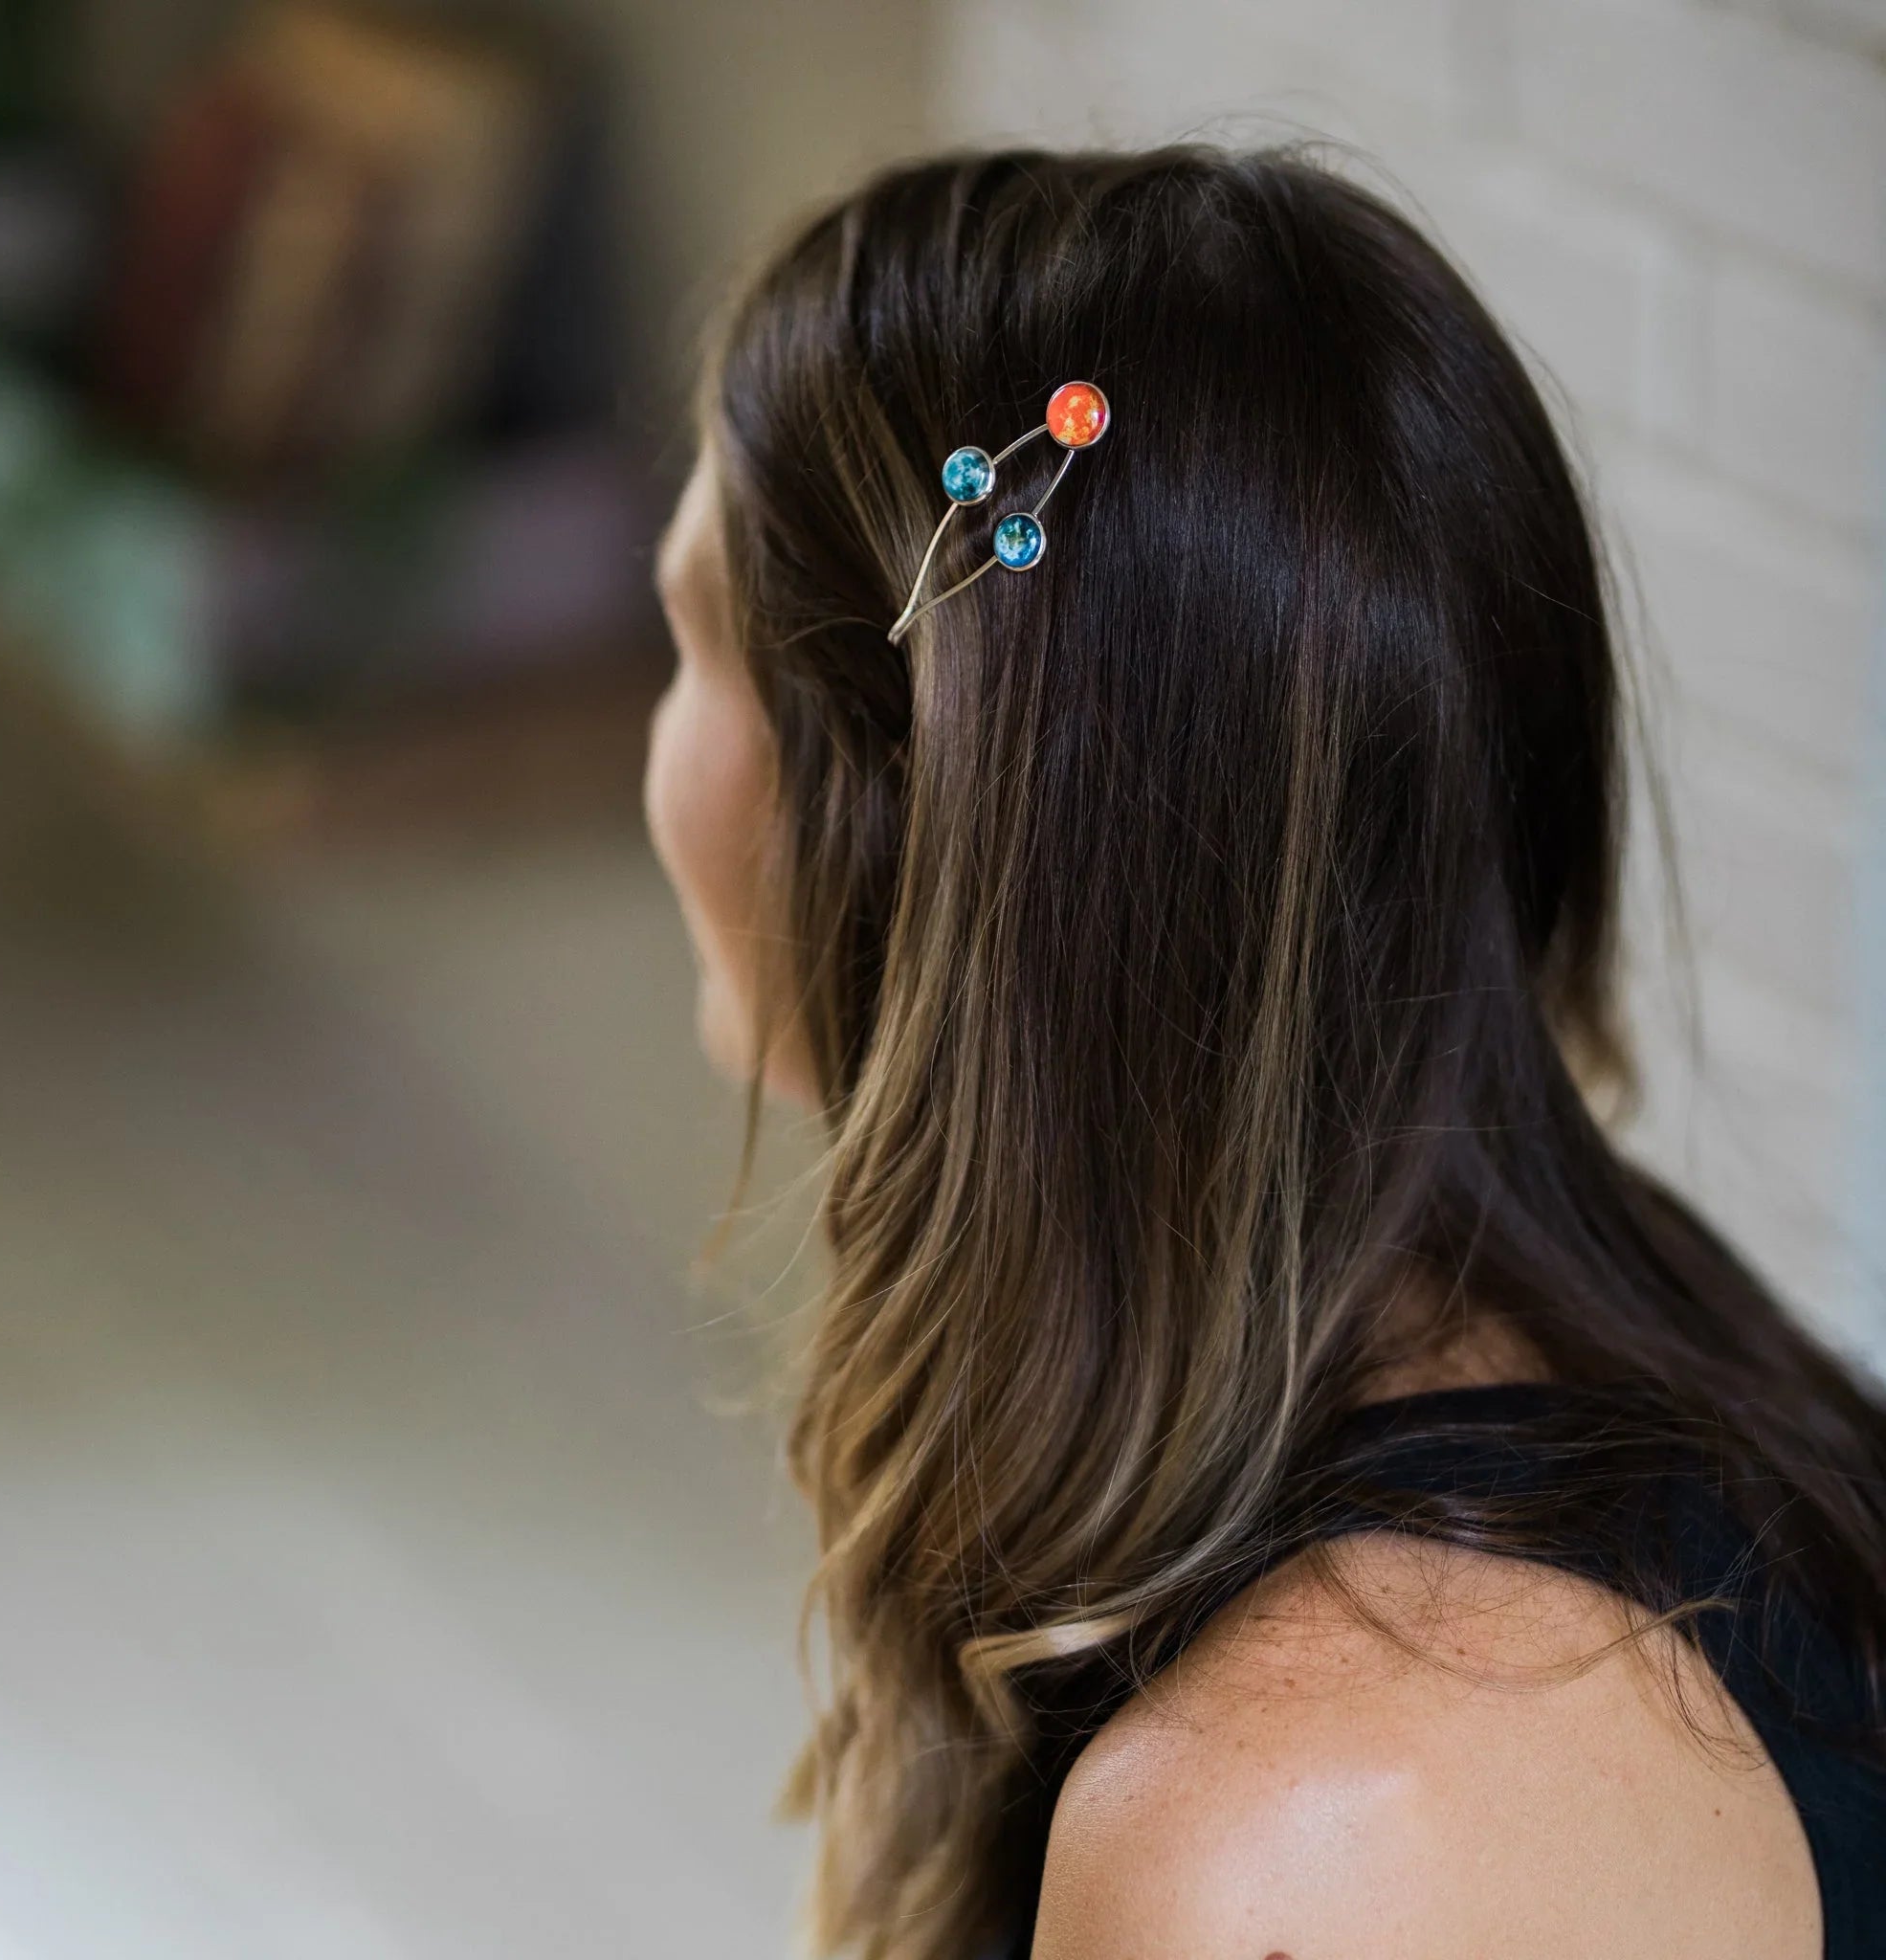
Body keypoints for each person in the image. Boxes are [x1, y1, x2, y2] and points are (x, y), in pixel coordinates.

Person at [642, 145, 1886, 1960]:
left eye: (688, 638)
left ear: (906, 808)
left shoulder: (1299, 1844)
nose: (656, 742)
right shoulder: (1712, 1384)